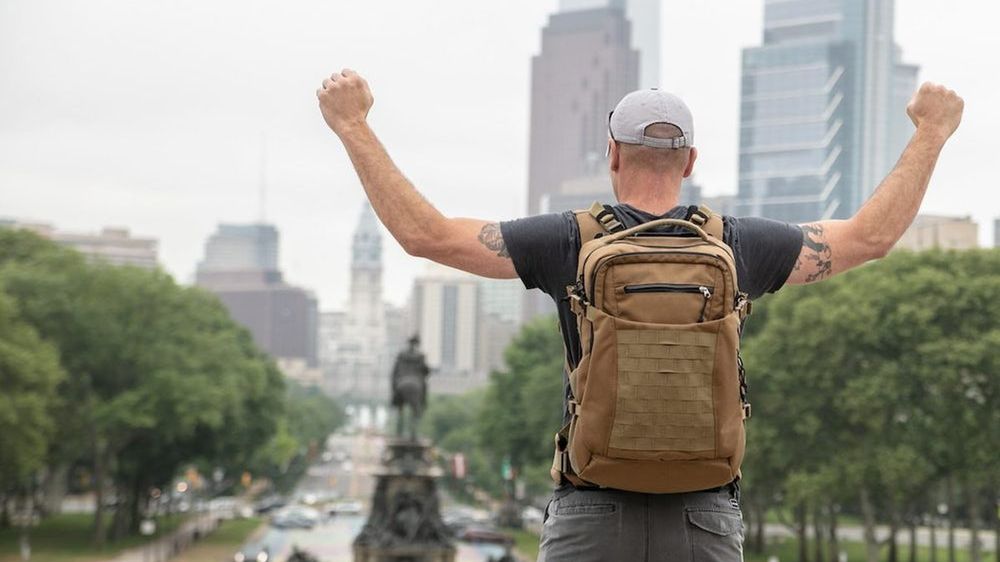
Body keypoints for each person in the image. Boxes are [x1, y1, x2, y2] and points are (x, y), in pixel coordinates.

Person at [316, 70, 963, 561]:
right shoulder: (738, 243)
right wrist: (931, 133)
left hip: (589, 515)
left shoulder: (569, 241)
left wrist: (353, 125)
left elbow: (426, 235)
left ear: (613, 155)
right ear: (690, 163)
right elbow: (870, 239)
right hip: (704, 516)